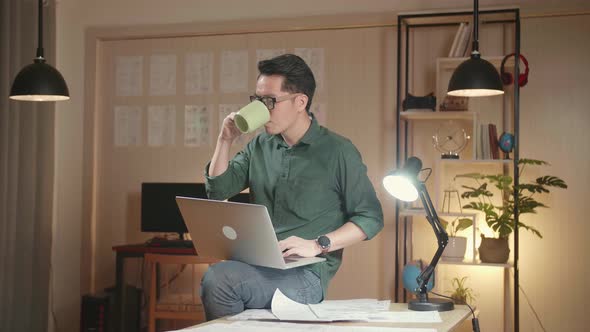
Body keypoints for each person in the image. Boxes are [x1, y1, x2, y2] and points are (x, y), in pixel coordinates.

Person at [201, 53, 383, 321]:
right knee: (221, 277)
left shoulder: (338, 151)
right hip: (257, 265)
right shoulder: (259, 146)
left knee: (220, 280)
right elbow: (217, 191)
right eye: (258, 100)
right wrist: (224, 140)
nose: (262, 109)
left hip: (306, 275)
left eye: (270, 101)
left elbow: (371, 218)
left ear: (301, 102)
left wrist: (319, 244)